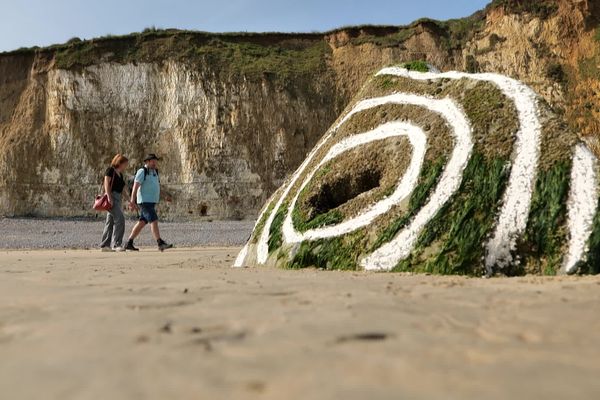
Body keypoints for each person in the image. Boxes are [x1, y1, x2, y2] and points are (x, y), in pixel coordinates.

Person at [124, 154, 174, 252]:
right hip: (144, 201)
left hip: (151, 201)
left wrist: (165, 196)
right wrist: (132, 201)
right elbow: (135, 186)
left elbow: (157, 187)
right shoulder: (142, 171)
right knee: (154, 220)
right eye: (153, 161)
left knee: (142, 222)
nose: (155, 162)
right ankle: (160, 243)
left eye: (155, 160)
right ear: (147, 161)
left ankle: (129, 243)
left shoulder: (155, 172)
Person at [100, 154, 129, 252]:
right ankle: (117, 244)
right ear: (119, 163)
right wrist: (109, 197)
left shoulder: (120, 174)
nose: (126, 166)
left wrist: (129, 200)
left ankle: (105, 245)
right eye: (125, 164)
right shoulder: (110, 170)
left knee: (110, 222)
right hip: (111, 197)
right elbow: (106, 183)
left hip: (117, 198)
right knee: (120, 219)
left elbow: (122, 190)